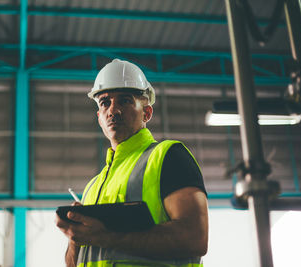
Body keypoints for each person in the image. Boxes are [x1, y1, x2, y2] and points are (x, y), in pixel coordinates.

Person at [56, 59, 208, 267]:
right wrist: (76, 235)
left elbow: (194, 238)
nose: (113, 110)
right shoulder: (92, 187)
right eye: (104, 102)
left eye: (125, 101)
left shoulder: (168, 156)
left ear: (147, 113)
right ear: (99, 117)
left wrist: (104, 236)